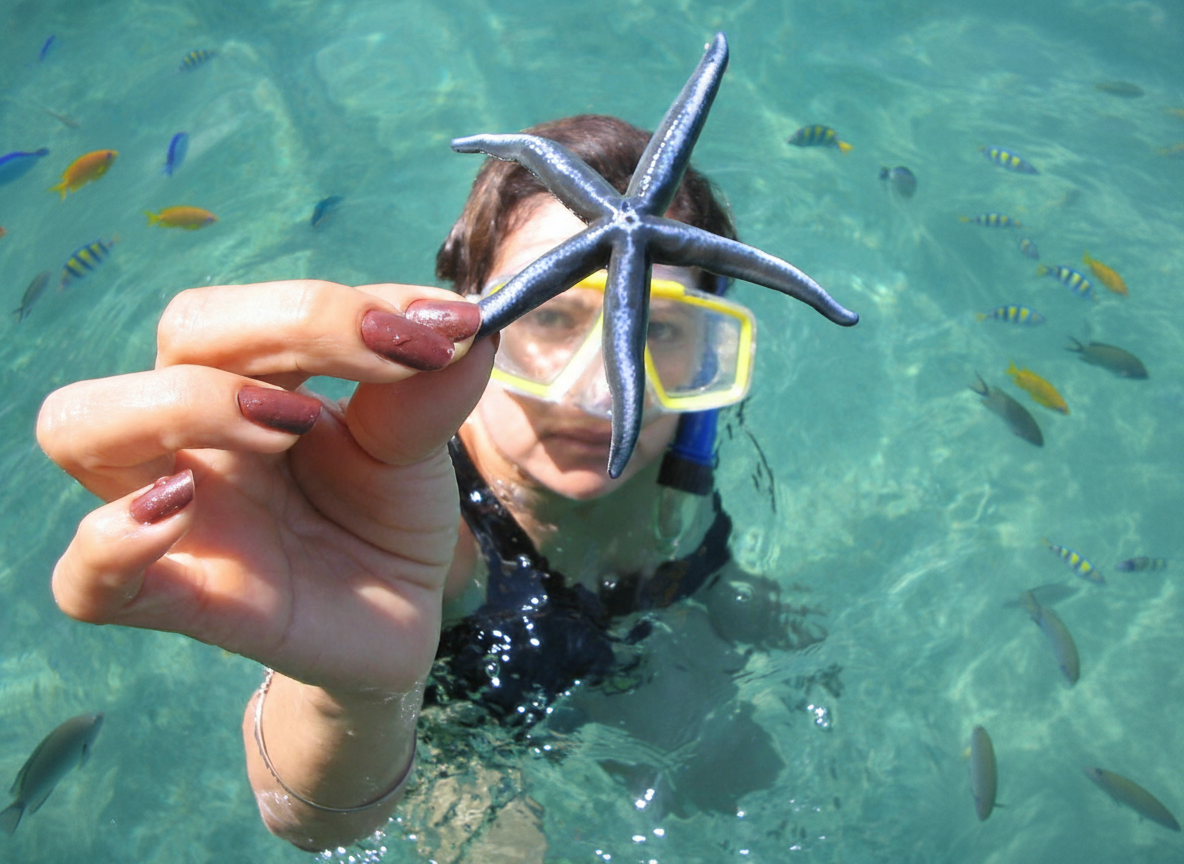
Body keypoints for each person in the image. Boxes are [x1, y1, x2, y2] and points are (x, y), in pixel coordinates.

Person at [36, 115, 824, 854]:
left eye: (658, 327)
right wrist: (349, 695)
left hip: (634, 636)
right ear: (468, 315)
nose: (602, 394)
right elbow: (310, 822)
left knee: (750, 778)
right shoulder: (404, 517)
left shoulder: (689, 432)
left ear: (708, 346)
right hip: (464, 725)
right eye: (550, 317)